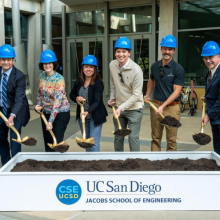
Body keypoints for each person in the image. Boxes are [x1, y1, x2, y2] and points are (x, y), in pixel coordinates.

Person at [144, 35, 184, 151]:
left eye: (170, 49)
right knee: (155, 138)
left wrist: (162, 106)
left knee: (171, 140)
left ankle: (170, 166)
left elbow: (176, 92)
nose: (167, 51)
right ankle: (154, 164)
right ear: (161, 49)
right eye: (165, 48)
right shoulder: (155, 66)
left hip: (172, 108)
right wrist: (147, 94)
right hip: (155, 106)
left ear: (174, 51)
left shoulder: (178, 69)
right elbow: (152, 80)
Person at [107, 37, 144, 152]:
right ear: (115, 53)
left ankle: (136, 164)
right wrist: (112, 97)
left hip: (134, 109)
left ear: (129, 53)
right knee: (118, 136)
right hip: (119, 107)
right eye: (118, 51)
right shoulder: (112, 65)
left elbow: (136, 95)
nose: (121, 54)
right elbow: (113, 82)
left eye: (124, 51)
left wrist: (121, 108)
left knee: (133, 137)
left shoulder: (137, 71)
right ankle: (119, 162)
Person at [70, 55, 108, 152]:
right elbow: (71, 94)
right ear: (82, 68)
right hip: (83, 117)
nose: (88, 69)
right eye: (86, 66)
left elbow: (97, 101)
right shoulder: (79, 81)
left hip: (95, 116)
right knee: (86, 143)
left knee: (93, 143)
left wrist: (87, 111)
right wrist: (76, 98)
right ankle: (89, 164)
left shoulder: (98, 83)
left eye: (91, 67)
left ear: (95, 69)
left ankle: (95, 164)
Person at [0, 44, 30, 166]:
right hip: (2, 110)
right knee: (1, 139)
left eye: (9, 59)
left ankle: (17, 166)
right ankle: (7, 165)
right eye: (3, 59)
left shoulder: (20, 76)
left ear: (13, 60)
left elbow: (19, 99)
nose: (6, 62)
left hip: (16, 111)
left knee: (15, 139)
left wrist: (12, 116)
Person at [35, 50, 70, 152]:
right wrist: (38, 104)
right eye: (45, 63)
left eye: (50, 63)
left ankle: (59, 165)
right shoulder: (41, 76)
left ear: (54, 64)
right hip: (45, 112)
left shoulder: (59, 79)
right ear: (42, 64)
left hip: (60, 113)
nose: (47, 65)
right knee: (48, 142)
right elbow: (39, 93)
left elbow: (57, 102)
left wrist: (50, 121)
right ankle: (49, 165)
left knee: (57, 143)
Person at [201, 41, 220, 155]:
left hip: (216, 115)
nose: (208, 61)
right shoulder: (211, 71)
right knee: (217, 147)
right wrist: (207, 97)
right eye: (205, 58)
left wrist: (208, 115)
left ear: (219, 56)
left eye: (211, 57)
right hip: (216, 118)